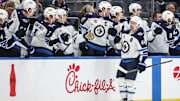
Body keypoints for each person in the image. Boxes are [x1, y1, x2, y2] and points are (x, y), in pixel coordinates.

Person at [116, 16, 148, 101]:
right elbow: (119, 47)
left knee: (130, 82)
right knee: (120, 80)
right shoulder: (125, 33)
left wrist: (142, 63)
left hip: (132, 62)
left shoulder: (139, 37)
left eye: (134, 23)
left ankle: (130, 99)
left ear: (138, 25)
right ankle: (124, 99)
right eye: (131, 23)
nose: (131, 24)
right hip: (123, 61)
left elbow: (144, 52)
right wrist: (116, 40)